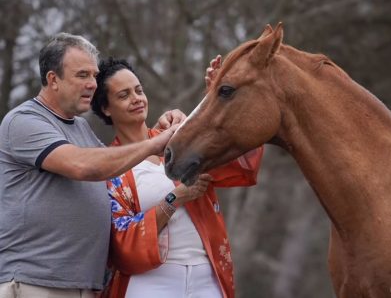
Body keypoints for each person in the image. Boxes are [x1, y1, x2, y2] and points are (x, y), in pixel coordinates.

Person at [0, 33, 186, 298]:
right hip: (36, 282)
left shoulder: (80, 127)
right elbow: (82, 166)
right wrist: (152, 144)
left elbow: (122, 163)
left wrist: (163, 130)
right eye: (82, 75)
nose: (92, 84)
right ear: (53, 79)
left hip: (84, 286)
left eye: (94, 76)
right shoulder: (24, 121)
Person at [90, 57, 264, 298]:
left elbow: (238, 157)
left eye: (139, 90)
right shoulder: (110, 168)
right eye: (123, 95)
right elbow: (121, 242)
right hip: (150, 281)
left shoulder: (178, 142)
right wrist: (174, 199)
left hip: (207, 275)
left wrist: (221, 95)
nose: (136, 99)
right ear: (106, 108)